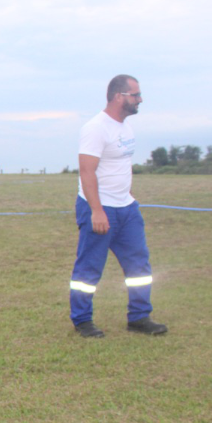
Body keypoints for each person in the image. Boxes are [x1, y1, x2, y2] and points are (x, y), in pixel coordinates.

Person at [70, 74, 168, 338]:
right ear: (118, 96)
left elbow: (120, 166)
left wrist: (129, 196)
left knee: (139, 266)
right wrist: (97, 211)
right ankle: (82, 320)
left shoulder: (125, 127)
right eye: (135, 95)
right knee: (89, 268)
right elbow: (87, 172)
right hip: (100, 208)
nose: (140, 99)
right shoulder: (96, 128)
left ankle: (139, 317)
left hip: (127, 209)